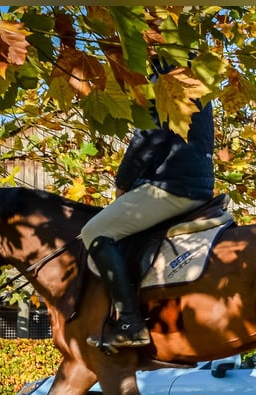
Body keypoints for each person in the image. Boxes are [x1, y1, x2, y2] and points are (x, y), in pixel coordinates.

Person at [80, 73, 215, 351]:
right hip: (196, 183)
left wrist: (123, 182)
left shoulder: (161, 79)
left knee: (94, 230)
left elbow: (149, 137)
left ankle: (131, 323)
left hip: (170, 184)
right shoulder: (194, 75)